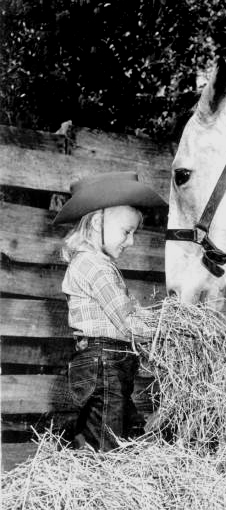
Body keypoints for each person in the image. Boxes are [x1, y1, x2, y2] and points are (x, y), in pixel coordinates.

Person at [54, 171, 167, 451]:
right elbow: (127, 321)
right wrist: (166, 330)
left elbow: (127, 311)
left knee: (124, 430)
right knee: (108, 442)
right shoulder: (95, 266)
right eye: (126, 232)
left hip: (107, 362)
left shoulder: (94, 264)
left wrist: (152, 321)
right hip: (104, 362)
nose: (130, 242)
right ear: (95, 224)